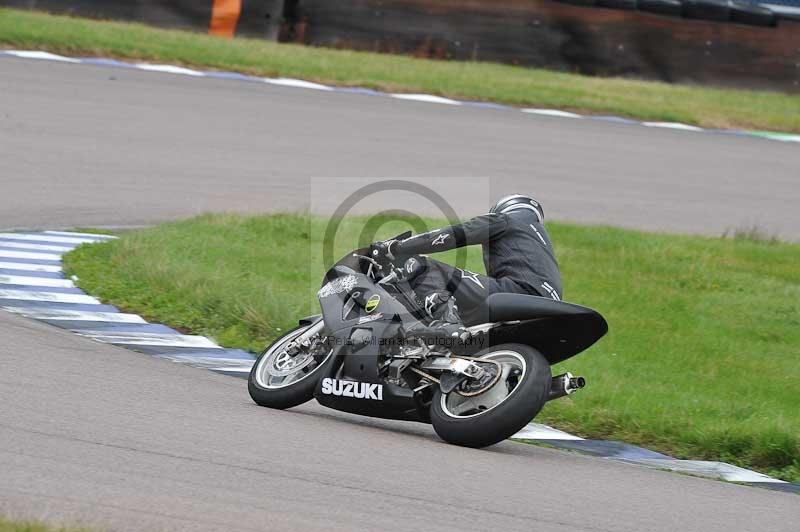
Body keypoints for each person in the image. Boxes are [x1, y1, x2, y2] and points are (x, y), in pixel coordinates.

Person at [371, 194, 562, 338]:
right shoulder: (538, 244)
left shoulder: (505, 220)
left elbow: (454, 235)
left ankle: (448, 324)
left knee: (421, 265)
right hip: (547, 308)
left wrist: (395, 247)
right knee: (464, 306)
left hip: (517, 292)